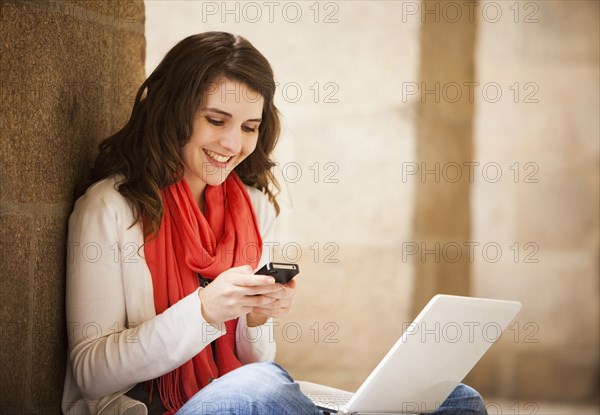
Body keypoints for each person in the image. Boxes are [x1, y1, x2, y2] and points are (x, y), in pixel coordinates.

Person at [61, 32, 487, 415]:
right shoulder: (109, 208)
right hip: (155, 408)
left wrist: (257, 320)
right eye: (215, 120)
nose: (233, 144)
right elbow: (92, 373)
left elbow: (256, 361)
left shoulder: (252, 206)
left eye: (249, 127)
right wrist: (204, 311)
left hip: (242, 398)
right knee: (262, 387)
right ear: (174, 112)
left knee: (457, 398)